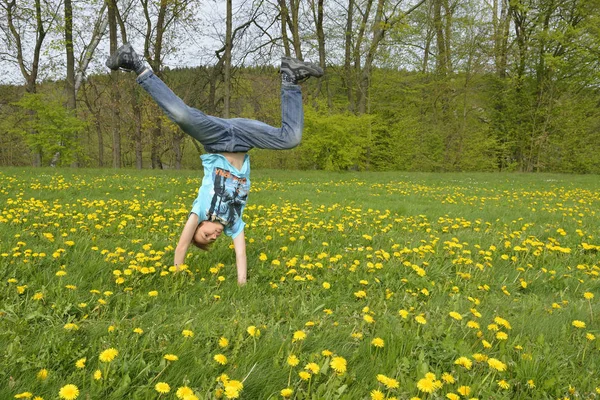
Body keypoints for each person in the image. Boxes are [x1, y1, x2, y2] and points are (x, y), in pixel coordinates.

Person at [105, 43, 323, 285]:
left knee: (182, 116)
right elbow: (240, 252)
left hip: (216, 138)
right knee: (290, 139)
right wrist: (242, 283)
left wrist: (178, 273)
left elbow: (181, 245)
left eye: (205, 234)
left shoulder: (200, 210)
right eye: (213, 239)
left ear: (199, 225)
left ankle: (136, 63)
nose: (214, 235)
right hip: (242, 138)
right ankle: (290, 77)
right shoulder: (233, 222)